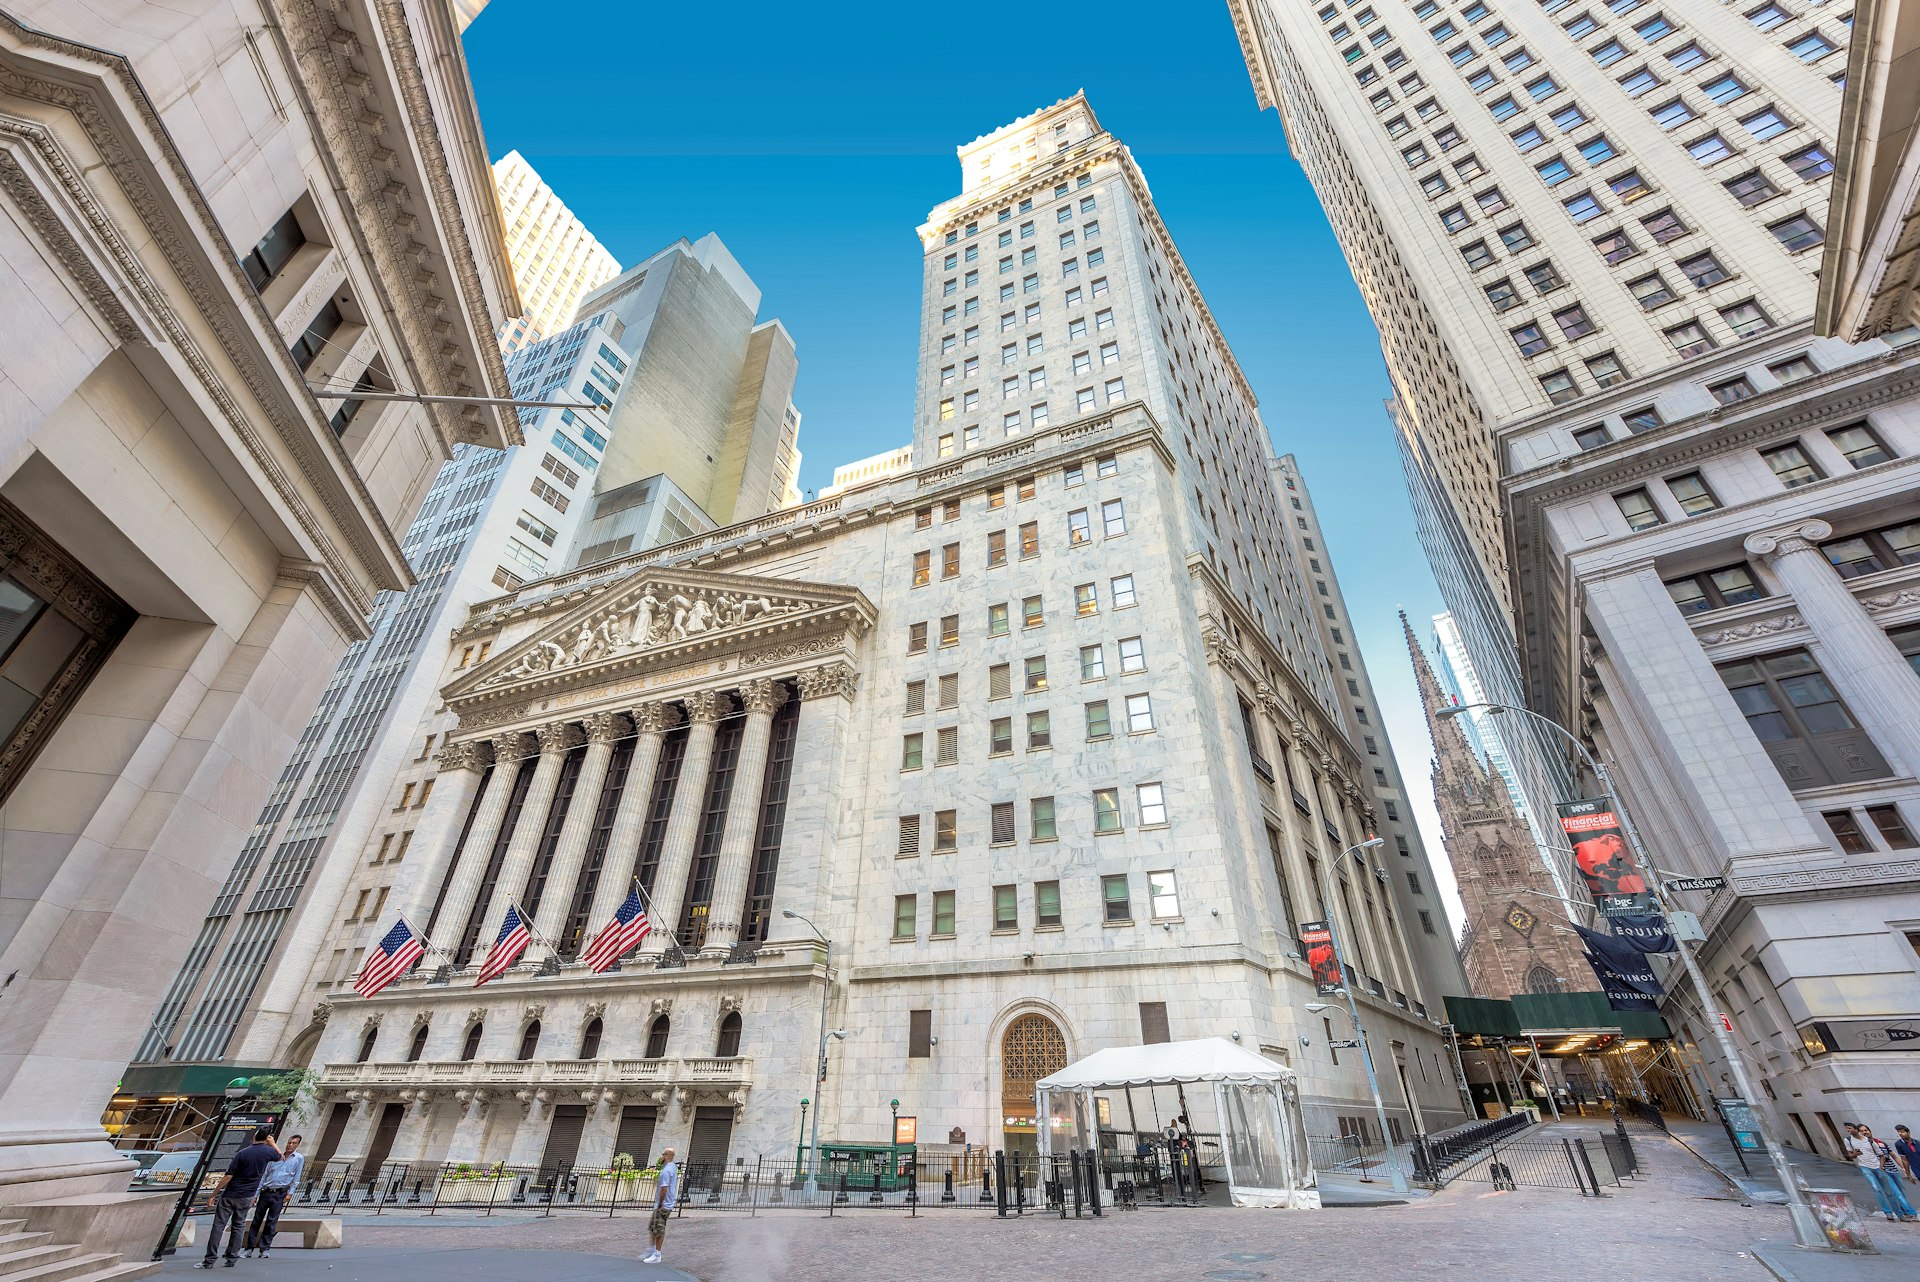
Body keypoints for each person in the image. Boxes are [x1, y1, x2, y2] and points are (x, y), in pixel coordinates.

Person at [201, 1129, 281, 1268]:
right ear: (266, 1138)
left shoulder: (243, 1153)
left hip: (231, 1193)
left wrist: (214, 1194)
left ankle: (210, 1259)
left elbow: (228, 1176)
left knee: (218, 1226)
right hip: (247, 1195)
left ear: (254, 1136)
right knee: (238, 1226)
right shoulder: (268, 1152)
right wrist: (272, 1143)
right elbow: (281, 1157)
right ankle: (232, 1258)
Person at [243, 1134, 302, 1258]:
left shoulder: (298, 1158)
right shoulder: (275, 1156)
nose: (290, 1145)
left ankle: (264, 1249)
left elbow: (296, 1178)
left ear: (298, 1145)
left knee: (271, 1221)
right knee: (256, 1220)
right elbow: (264, 1175)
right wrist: (256, 1193)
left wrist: (290, 1193)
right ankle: (249, 1248)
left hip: (280, 1193)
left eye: (294, 1143)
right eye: (289, 1142)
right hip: (266, 1191)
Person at [1844, 1123, 1917, 1222]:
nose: (1865, 1132)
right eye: (1862, 1131)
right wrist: (1856, 1154)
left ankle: (1902, 1213)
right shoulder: (1850, 1141)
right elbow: (1850, 1155)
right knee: (1885, 1190)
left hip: (1889, 1169)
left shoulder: (1876, 1142)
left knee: (1897, 1193)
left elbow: (1891, 1156)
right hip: (1874, 1169)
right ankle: (1904, 1213)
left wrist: (1902, 1169)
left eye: (1866, 1130)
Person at [641, 1147, 679, 1266]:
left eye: (663, 1154)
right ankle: (651, 1249)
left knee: (659, 1229)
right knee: (653, 1227)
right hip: (665, 1203)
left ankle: (657, 1254)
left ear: (667, 1156)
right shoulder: (672, 1166)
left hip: (664, 1204)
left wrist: (661, 1203)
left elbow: (664, 1189)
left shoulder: (666, 1171)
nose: (661, 1156)